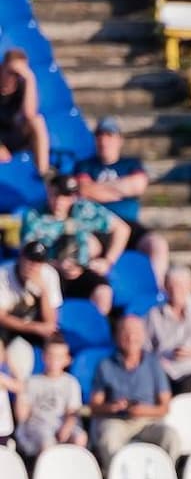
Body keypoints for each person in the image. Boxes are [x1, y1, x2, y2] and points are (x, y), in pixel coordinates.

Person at [75, 117, 169, 284]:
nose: (104, 141)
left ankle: (156, 291)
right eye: (100, 136)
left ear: (119, 139)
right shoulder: (85, 166)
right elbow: (84, 190)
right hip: (99, 225)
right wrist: (121, 189)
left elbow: (138, 186)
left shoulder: (131, 164)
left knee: (157, 244)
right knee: (85, 248)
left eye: (109, 135)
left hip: (129, 223)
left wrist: (99, 189)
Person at [20, 172, 128, 315]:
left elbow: (122, 228)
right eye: (55, 195)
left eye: (65, 196)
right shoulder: (34, 215)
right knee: (42, 292)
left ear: (73, 197)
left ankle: (92, 332)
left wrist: (108, 261)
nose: (59, 201)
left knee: (103, 293)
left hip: (81, 269)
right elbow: (28, 254)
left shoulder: (84, 210)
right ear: (48, 192)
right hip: (49, 270)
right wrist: (57, 265)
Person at [89, 312, 179, 462]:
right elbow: (94, 405)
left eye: (135, 333)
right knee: (109, 438)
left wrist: (144, 411)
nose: (131, 338)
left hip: (148, 421)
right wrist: (112, 407)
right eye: (125, 333)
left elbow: (165, 406)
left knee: (170, 436)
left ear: (143, 336)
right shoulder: (105, 365)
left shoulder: (154, 364)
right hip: (117, 421)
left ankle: (166, 476)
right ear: (117, 336)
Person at [13, 332, 84, 457]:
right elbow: (22, 416)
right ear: (43, 356)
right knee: (47, 441)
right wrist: (20, 392)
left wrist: (66, 428)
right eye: (51, 356)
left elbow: (73, 412)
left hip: (61, 424)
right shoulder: (32, 382)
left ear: (67, 359)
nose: (54, 361)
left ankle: (74, 470)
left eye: (59, 357)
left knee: (80, 437)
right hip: (38, 426)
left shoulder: (71, 382)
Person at [0, 239, 60, 382]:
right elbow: (1, 317)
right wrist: (33, 328)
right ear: (21, 258)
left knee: (57, 345)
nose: (33, 266)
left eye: (38, 262)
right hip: (8, 328)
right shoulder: (3, 274)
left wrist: (44, 291)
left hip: (35, 327)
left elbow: (51, 321)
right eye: (30, 260)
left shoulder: (49, 275)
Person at [0, 49, 49, 176]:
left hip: (15, 135)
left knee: (38, 121)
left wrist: (29, 79)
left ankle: (43, 174)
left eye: (18, 74)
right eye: (11, 72)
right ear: (2, 68)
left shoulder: (23, 86)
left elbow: (29, 114)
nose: (14, 77)